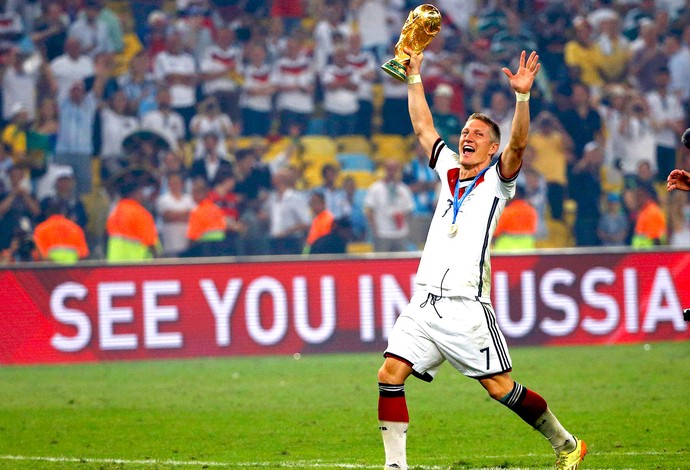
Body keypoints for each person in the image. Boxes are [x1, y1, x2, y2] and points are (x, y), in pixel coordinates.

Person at [376, 48, 587, 470]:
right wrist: (414, 77)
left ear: (492, 148)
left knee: (499, 388)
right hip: (424, 302)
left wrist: (522, 99)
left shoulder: (496, 182)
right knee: (389, 375)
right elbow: (423, 128)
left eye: (477, 135)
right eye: (465, 132)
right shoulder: (449, 170)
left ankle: (566, 444)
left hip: (465, 307)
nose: (467, 138)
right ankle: (395, 466)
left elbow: (520, 144)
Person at [364, 160, 415, 253]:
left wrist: (406, 227)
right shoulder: (375, 188)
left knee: (402, 264)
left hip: (400, 234)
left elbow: (409, 211)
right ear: (385, 170)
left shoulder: (404, 189)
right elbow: (369, 210)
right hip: (382, 233)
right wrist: (375, 230)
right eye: (389, 169)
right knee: (381, 264)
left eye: (394, 170)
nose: (392, 173)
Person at [33, 200, 89, 264]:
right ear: (64, 213)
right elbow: (84, 254)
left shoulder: (40, 229)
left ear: (47, 212)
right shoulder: (75, 228)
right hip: (72, 272)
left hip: (49, 272)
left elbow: (37, 256)